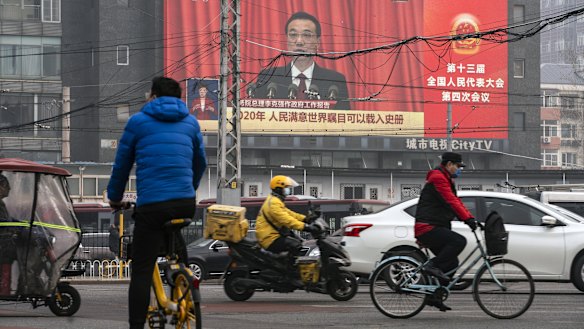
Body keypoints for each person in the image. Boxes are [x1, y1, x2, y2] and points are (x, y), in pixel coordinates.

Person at [107, 76, 207, 329]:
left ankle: (136, 325)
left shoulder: (138, 122)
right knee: (174, 235)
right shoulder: (191, 122)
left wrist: (115, 197)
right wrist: (188, 189)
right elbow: (201, 163)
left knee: (141, 270)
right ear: (179, 97)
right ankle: (182, 274)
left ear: (152, 95)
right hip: (185, 202)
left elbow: (122, 165)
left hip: (152, 205)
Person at [414, 152, 478, 312]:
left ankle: (434, 297)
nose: (459, 169)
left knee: (452, 263)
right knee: (459, 241)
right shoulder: (438, 178)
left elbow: (456, 202)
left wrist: (470, 218)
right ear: (449, 164)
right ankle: (431, 265)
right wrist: (467, 219)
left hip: (434, 225)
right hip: (427, 227)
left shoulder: (445, 178)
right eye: (457, 166)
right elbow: (451, 201)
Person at [254, 11, 351, 110]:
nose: (299, 41)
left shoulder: (335, 81)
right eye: (293, 35)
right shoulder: (268, 78)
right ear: (286, 40)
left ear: (317, 43)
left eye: (307, 35)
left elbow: (343, 121)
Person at [255, 175, 320, 279]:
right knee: (296, 245)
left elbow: (289, 213)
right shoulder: (273, 203)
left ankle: (287, 268)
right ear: (278, 189)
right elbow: (286, 220)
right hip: (269, 238)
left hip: (274, 235)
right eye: (286, 188)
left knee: (299, 241)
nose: (288, 190)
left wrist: (305, 219)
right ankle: (289, 273)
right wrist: (305, 227)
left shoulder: (276, 201)